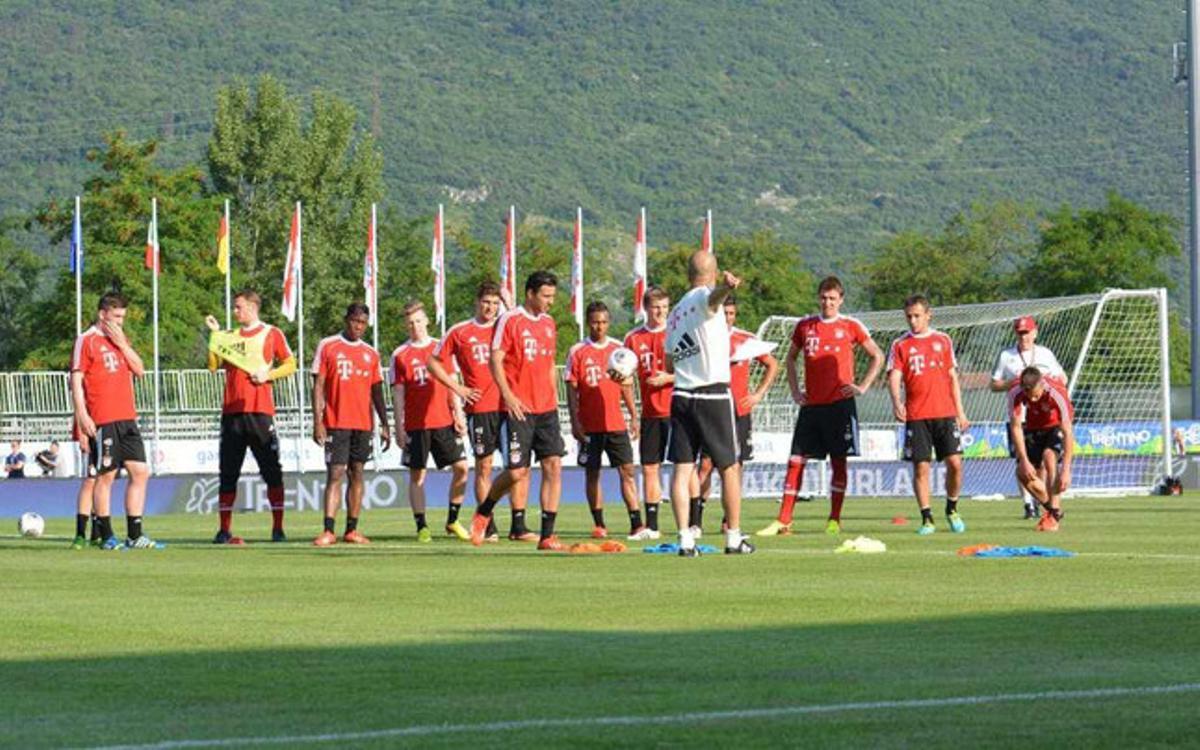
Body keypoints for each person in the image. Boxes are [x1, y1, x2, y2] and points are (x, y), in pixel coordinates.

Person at [758, 276, 884, 536]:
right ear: (819, 298)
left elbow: (877, 356)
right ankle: (784, 520)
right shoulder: (805, 326)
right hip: (812, 406)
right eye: (824, 298)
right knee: (795, 461)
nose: (828, 303)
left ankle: (834, 519)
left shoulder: (850, 325)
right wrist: (795, 391)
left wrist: (862, 386)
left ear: (841, 300)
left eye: (833, 299)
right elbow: (790, 359)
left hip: (840, 406)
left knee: (839, 463)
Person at [469, 270, 567, 551]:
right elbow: (495, 359)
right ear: (530, 294)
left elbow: (549, 365)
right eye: (546, 296)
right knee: (516, 473)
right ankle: (485, 510)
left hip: (546, 408)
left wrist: (556, 401)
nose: (550, 301)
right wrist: (508, 396)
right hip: (519, 410)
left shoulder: (549, 323)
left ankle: (547, 535)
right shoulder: (509, 320)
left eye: (552, 296)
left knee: (553, 466)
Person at [665, 251, 753, 556]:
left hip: (681, 393)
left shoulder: (674, 312)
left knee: (682, 469)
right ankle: (734, 538)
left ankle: (685, 540)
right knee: (730, 466)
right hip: (712, 394)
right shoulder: (705, 296)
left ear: (688, 274)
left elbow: (669, 359)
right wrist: (728, 288)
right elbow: (713, 299)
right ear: (713, 273)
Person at [205, 289, 296, 545]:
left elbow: (290, 364)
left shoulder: (271, 333)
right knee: (228, 472)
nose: (235, 312)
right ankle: (224, 530)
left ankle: (278, 529)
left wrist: (268, 376)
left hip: (260, 411)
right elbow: (213, 366)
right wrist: (214, 337)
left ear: (253, 308)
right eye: (235, 307)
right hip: (232, 412)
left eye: (239, 307)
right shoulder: (229, 336)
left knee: (271, 471)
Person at [70, 291, 160, 549]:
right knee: (105, 476)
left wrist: (122, 343)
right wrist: (82, 416)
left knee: (140, 472)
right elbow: (76, 380)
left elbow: (140, 370)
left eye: (123, 317)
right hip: (103, 417)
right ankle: (107, 535)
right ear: (103, 314)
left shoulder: (120, 340)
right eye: (116, 316)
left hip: (128, 417)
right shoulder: (86, 340)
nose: (120, 322)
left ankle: (135, 534)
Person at [425, 282, 507, 542]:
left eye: (495, 303)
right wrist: (458, 388)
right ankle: (487, 524)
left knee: (518, 467)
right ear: (477, 301)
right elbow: (433, 363)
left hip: (508, 405)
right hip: (481, 408)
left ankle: (519, 524)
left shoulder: (505, 328)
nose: (491, 308)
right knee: (485, 467)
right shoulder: (460, 331)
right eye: (486, 302)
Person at [565, 301, 651, 540]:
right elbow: (572, 389)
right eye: (595, 322)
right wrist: (575, 421)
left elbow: (626, 385)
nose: (599, 327)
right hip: (590, 426)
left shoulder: (618, 349)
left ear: (608, 322)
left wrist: (634, 416)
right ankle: (599, 523)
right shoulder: (577, 351)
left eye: (603, 322)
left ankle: (636, 523)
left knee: (627, 471)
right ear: (588, 322)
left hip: (615, 424)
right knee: (592, 473)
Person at [694, 295, 779, 535]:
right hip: (713, 410)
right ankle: (696, 519)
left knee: (736, 466)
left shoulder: (746, 339)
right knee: (706, 465)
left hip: (740, 411)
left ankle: (729, 520)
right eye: (724, 314)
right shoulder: (706, 338)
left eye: (732, 314)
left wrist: (758, 394)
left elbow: (772, 364)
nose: (728, 319)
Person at [886, 294, 970, 535]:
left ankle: (952, 508)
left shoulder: (943, 340)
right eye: (909, 317)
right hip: (917, 415)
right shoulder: (900, 344)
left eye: (917, 316)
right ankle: (927, 518)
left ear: (928, 315)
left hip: (945, 413)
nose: (913, 321)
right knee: (921, 467)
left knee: (955, 463)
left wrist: (961, 412)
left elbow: (952, 377)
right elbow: (894, 376)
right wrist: (896, 402)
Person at [311, 303, 391, 546]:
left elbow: (377, 392)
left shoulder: (371, 353)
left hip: (363, 423)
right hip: (336, 421)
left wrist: (385, 424)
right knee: (335, 473)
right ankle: (328, 530)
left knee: (357, 473)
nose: (358, 326)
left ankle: (352, 530)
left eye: (363, 323)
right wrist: (318, 421)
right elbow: (318, 386)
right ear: (346, 320)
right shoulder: (329, 346)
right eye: (355, 321)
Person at [390, 300, 470, 542]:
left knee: (462, 468)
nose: (415, 326)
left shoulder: (441, 347)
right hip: (416, 425)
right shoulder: (400, 354)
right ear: (406, 326)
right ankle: (421, 526)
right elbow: (398, 393)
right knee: (418, 476)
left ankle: (453, 520)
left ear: (426, 321)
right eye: (410, 323)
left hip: (444, 421)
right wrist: (399, 427)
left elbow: (452, 383)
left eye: (418, 321)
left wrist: (458, 413)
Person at [990, 316, 1067, 520]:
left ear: (1035, 332)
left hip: (1045, 416)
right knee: (1023, 466)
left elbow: (1062, 377)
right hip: (1019, 416)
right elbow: (993, 384)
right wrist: (1013, 384)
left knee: (1047, 462)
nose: (1023, 336)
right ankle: (1029, 504)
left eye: (1026, 332)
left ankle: (1049, 509)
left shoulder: (1045, 354)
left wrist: (1050, 386)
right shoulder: (1007, 356)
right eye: (1019, 332)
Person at [623, 286, 673, 539]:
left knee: (686, 466)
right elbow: (625, 376)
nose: (661, 312)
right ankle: (652, 526)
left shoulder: (677, 332)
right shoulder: (633, 338)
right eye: (656, 307)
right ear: (646, 308)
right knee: (650, 467)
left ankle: (693, 523)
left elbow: (694, 368)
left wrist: (669, 377)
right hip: (651, 414)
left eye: (664, 307)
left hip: (678, 410)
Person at [1008, 366, 1074, 531]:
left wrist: (1066, 470)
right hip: (1033, 427)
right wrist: (1023, 461)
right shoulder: (1015, 393)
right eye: (1030, 397)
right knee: (1022, 473)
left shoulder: (1056, 393)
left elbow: (1068, 433)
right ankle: (1053, 511)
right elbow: (1016, 427)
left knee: (1049, 457)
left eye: (1036, 395)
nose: (1034, 400)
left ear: (1042, 384)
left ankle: (1053, 518)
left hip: (1055, 426)